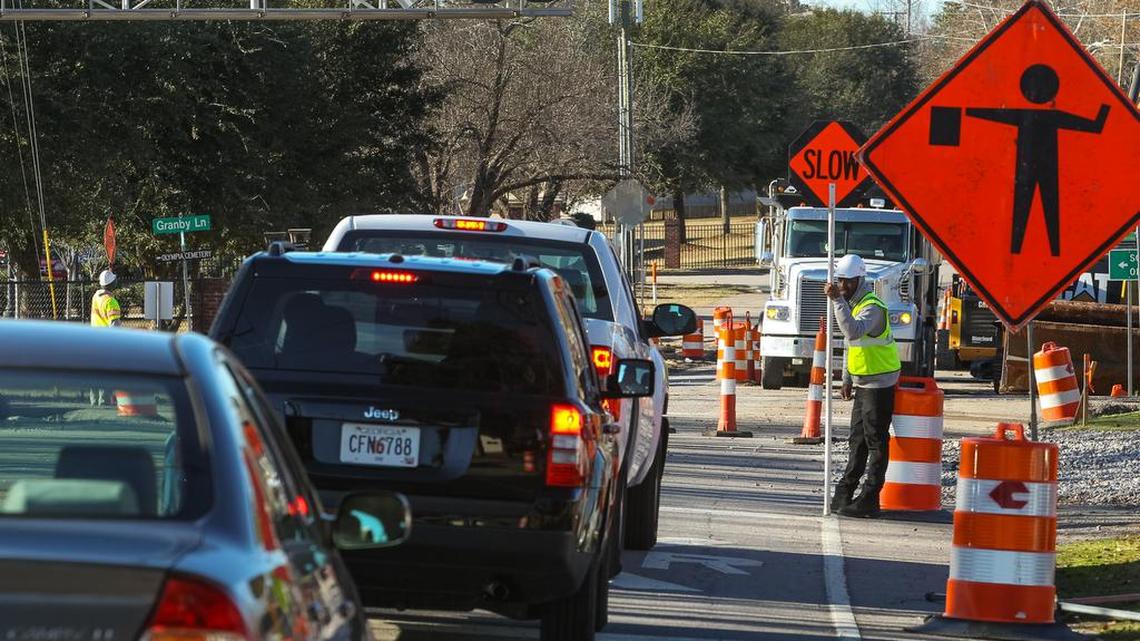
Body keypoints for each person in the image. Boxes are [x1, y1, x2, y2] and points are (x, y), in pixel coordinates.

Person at [824, 254, 901, 518]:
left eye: (846, 282)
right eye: (840, 281)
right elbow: (853, 346)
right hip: (863, 382)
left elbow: (853, 332)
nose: (842, 286)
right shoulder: (854, 304)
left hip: (879, 382)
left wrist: (836, 300)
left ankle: (870, 498)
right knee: (857, 440)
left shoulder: (872, 307)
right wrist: (847, 378)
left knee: (875, 440)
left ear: (859, 280)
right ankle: (845, 492)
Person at [89, 270, 122, 406]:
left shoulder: (96, 296)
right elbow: (115, 327)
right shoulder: (111, 302)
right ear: (113, 283)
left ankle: (94, 402)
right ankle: (104, 403)